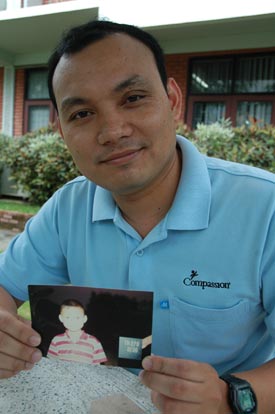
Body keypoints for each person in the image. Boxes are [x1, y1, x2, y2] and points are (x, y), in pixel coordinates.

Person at [0, 19, 274, 414]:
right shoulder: (68, 208)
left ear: (172, 99)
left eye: (132, 98)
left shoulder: (264, 208)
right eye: (82, 114)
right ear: (60, 129)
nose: (112, 130)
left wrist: (230, 397)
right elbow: (6, 286)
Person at [47, 299, 107, 364]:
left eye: (77, 317)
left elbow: (97, 367)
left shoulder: (94, 342)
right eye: (68, 317)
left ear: (84, 319)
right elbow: (51, 363)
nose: (73, 321)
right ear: (61, 318)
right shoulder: (56, 340)